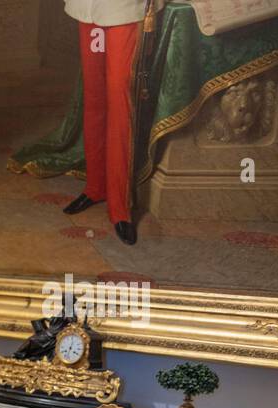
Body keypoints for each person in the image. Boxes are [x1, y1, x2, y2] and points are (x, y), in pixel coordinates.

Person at [60, 0, 164, 246]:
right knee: (94, 95)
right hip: (88, 8)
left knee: (119, 100)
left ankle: (120, 207)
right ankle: (95, 187)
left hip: (124, 9)